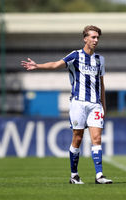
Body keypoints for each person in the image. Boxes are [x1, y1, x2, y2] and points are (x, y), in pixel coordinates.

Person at [21, 25, 112, 184]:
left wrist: (103, 105)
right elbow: (56, 65)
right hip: (78, 103)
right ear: (85, 38)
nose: (96, 40)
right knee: (77, 138)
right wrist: (38, 66)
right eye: (93, 37)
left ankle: (99, 175)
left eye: (97, 37)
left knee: (96, 138)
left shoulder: (100, 60)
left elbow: (101, 84)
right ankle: (74, 175)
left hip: (95, 105)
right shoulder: (75, 55)